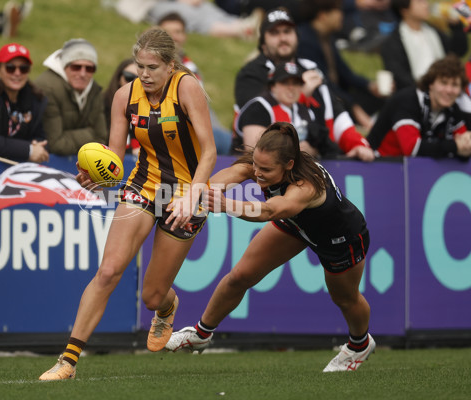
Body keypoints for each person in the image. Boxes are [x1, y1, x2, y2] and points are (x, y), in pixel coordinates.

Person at [38, 27, 217, 381]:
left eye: (152, 67)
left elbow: (209, 151)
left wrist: (194, 195)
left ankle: (167, 306)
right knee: (108, 272)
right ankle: (68, 361)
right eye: (139, 66)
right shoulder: (124, 96)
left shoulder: (187, 87)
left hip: (186, 192)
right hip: (144, 184)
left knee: (151, 296)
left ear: (169, 65)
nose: (144, 74)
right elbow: (115, 159)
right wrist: (97, 176)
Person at [165, 121, 376, 373]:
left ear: (289, 165)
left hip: (340, 237)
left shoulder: (305, 186)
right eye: (255, 164)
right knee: (239, 276)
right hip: (297, 225)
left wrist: (226, 205)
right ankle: (201, 334)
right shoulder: (264, 162)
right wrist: (197, 194)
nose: (258, 172)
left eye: (265, 169)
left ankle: (359, 344)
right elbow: (231, 175)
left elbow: (271, 210)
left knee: (344, 298)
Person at [234, 7, 375, 161]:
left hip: (318, 161)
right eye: (274, 33)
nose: (282, 38)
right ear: (263, 44)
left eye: (287, 31)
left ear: (297, 37)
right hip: (261, 169)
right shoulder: (250, 74)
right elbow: (257, 125)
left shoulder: (311, 69)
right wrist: (299, 95)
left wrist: (356, 144)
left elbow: (337, 115)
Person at [296, 0, 385, 131]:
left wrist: (370, 85)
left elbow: (346, 73)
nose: (341, 15)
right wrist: (354, 107)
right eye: (338, 11)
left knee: (378, 97)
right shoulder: (305, 40)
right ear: (323, 15)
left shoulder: (327, 37)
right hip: (321, 98)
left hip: (339, 94)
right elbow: (322, 83)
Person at [367, 55, 471, 159]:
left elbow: (465, 145)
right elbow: (412, 149)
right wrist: (455, 146)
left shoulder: (453, 108)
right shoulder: (408, 101)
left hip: (414, 170)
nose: (449, 90)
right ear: (431, 83)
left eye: (455, 85)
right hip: (377, 165)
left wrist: (466, 146)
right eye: (443, 83)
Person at [157, 12, 233, 155]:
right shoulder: (153, 68)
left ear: (185, 36)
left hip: (207, 126)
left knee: (236, 143)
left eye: (178, 32)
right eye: (167, 32)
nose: (174, 37)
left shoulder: (191, 66)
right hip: (177, 129)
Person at [235, 60, 341, 158]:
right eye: (285, 82)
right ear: (273, 86)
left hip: (291, 173)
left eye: (295, 83)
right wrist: (296, 150)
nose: (291, 88)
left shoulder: (305, 111)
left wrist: (312, 149)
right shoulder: (259, 107)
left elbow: (318, 147)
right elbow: (253, 150)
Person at [33, 38, 107, 156]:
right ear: (64, 66)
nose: (82, 74)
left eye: (89, 68)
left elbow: (102, 139)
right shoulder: (48, 88)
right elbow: (55, 144)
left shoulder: (94, 89)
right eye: (76, 67)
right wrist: (89, 134)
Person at [380, 0, 468, 92]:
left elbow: (458, 51)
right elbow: (399, 76)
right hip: (415, 95)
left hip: (444, 91)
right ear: (404, 10)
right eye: (420, 2)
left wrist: (456, 26)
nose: (426, 5)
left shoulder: (433, 32)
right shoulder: (393, 42)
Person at [115, 0, 263, 39]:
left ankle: (242, 25)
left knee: (206, 8)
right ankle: (237, 31)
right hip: (151, 4)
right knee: (190, 14)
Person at [102, 57, 140, 155]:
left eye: (138, 80)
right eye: (129, 77)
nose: (132, 84)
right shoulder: (102, 103)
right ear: (119, 78)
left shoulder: (153, 107)